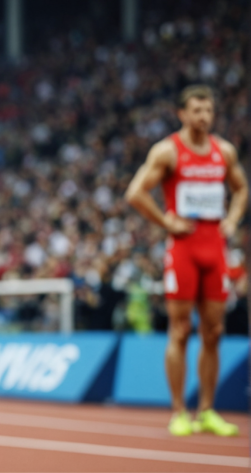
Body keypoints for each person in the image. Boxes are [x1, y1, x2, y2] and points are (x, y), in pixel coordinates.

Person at [125, 84, 247, 437]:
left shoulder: (224, 151)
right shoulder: (168, 151)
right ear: (182, 114)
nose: (204, 117)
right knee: (180, 330)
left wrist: (232, 219)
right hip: (183, 250)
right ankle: (179, 411)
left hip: (215, 250)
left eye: (208, 110)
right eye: (197, 110)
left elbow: (241, 188)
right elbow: (135, 193)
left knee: (214, 332)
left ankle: (207, 410)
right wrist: (166, 222)